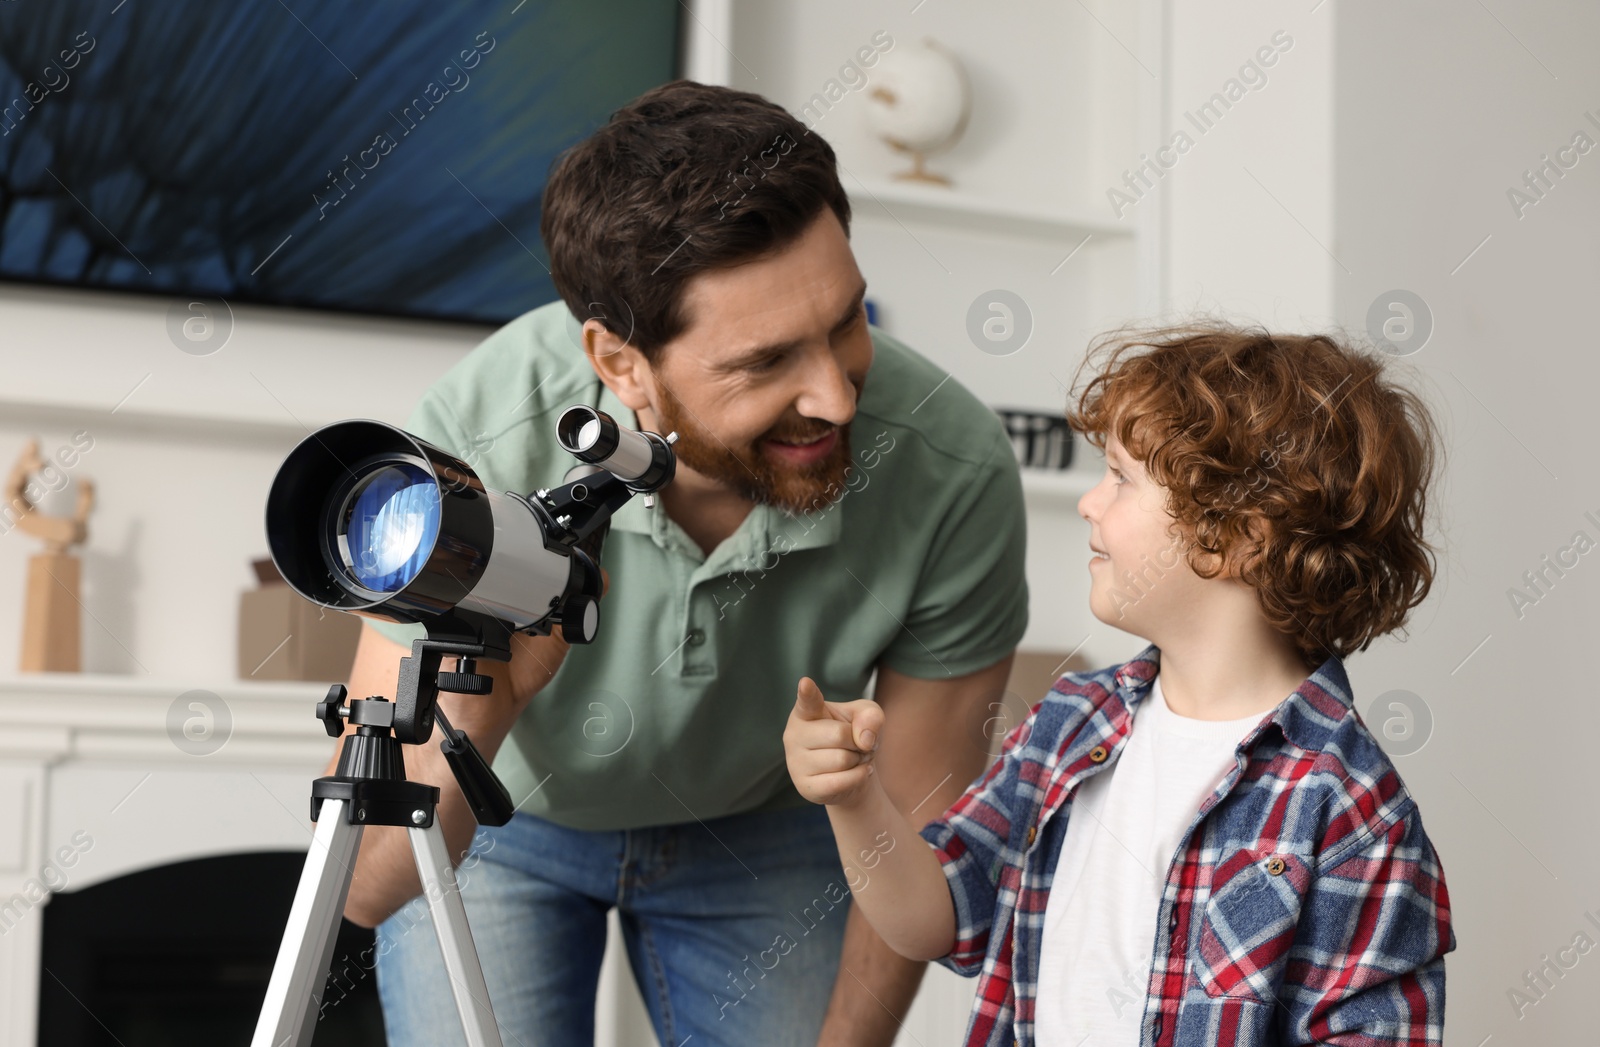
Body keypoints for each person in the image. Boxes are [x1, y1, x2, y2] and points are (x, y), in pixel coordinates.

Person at [326, 80, 1030, 1047]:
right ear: (619, 364)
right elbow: (366, 886)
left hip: (766, 823)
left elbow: (917, 834)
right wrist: (491, 696)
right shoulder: (476, 443)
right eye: (764, 361)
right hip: (509, 817)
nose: (832, 397)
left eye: (847, 321)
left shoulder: (950, 466)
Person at [785, 322, 1456, 1046]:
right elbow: (930, 917)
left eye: (1121, 477)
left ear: (1237, 535)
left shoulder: (1352, 807)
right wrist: (853, 797)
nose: (1088, 503)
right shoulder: (1070, 723)